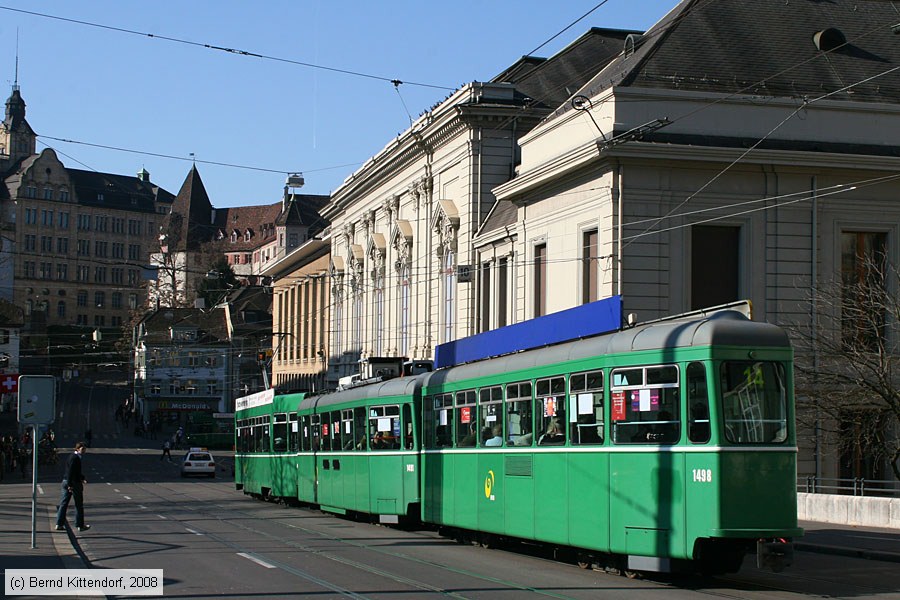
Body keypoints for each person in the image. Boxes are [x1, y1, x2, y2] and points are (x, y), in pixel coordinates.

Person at [55, 442, 90, 532]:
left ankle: (59, 523)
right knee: (78, 505)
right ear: (77, 449)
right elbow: (71, 472)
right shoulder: (75, 458)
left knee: (63, 503)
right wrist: (70, 485)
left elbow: (75, 472)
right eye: (82, 449)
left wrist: (82, 478)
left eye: (84, 449)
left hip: (66, 481)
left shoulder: (72, 456)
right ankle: (80, 525)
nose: (84, 451)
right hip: (73, 483)